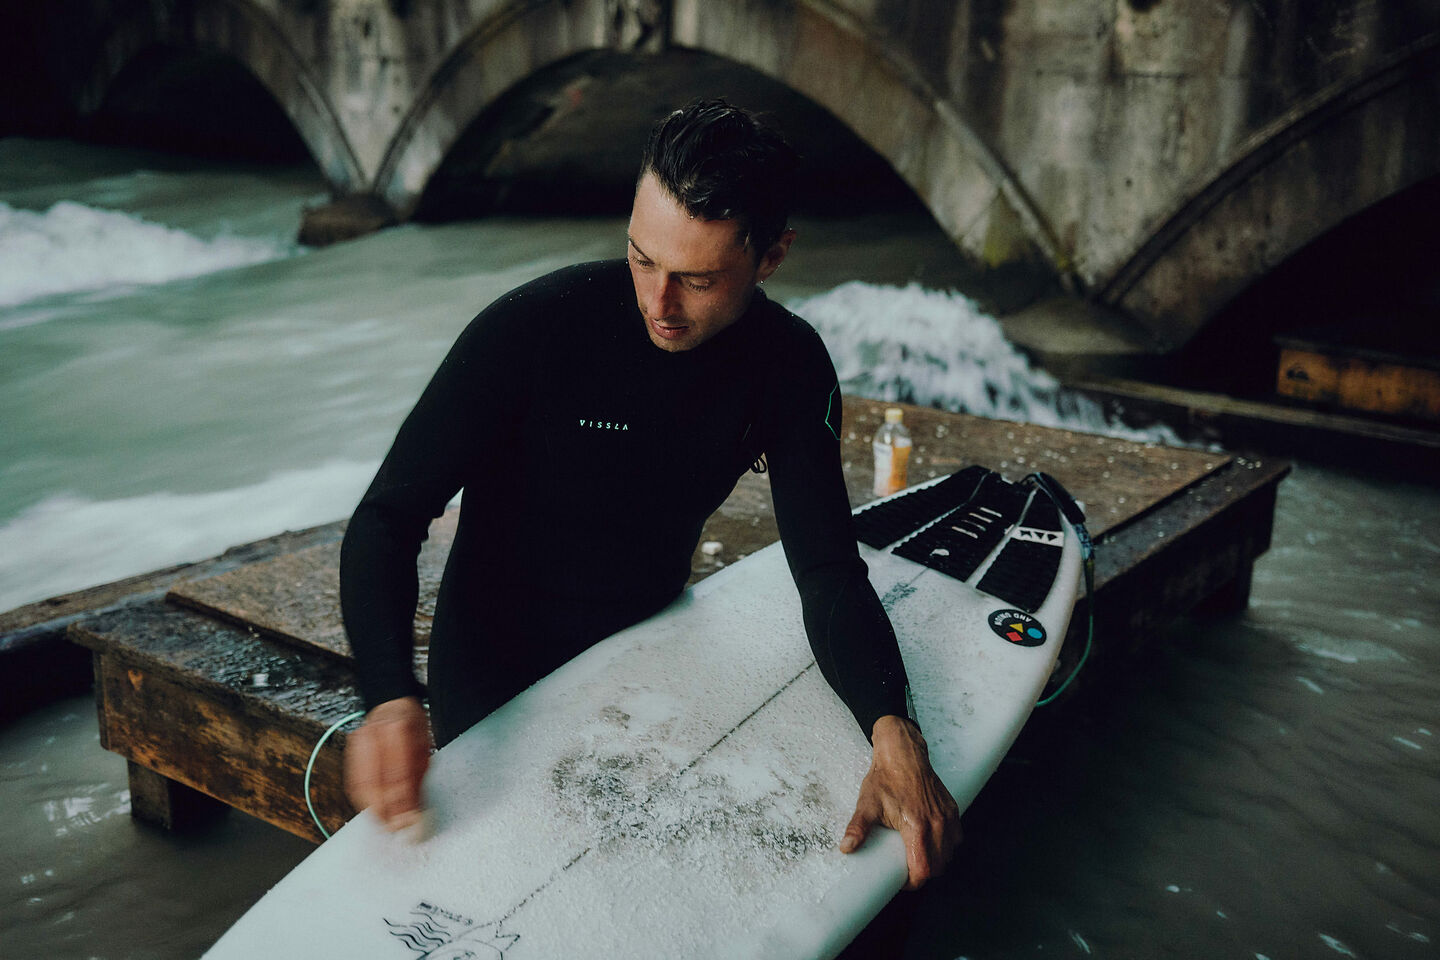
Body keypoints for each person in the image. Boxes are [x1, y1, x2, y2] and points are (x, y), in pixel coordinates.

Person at [339, 99, 960, 889]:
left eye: (697, 280)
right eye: (641, 260)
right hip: (494, 670)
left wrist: (891, 725)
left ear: (771, 257)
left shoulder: (788, 366)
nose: (658, 305)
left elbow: (829, 569)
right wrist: (390, 696)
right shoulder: (532, 331)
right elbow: (388, 517)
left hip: (657, 650)